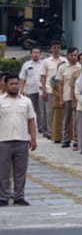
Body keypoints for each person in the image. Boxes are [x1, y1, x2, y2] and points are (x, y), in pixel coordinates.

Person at [0, 73, 39, 206]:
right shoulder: (1, 101)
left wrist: (33, 138)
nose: (14, 86)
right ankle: (4, 196)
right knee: (3, 171)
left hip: (22, 140)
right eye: (11, 84)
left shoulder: (26, 101)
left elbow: (31, 120)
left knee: (20, 170)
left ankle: (19, 196)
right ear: (5, 85)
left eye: (16, 83)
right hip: (3, 140)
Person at [20, 48, 44, 124]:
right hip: (29, 90)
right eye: (34, 52)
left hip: (41, 90)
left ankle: (41, 127)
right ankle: (29, 125)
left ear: (40, 54)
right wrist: (21, 89)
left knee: (41, 110)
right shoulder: (26, 65)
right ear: (31, 54)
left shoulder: (44, 64)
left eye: (37, 52)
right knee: (29, 109)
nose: (36, 54)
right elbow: (22, 78)